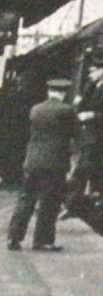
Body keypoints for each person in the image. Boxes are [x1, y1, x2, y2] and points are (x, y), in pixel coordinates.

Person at [7, 78, 78, 251]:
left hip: (32, 161)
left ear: (48, 92)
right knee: (49, 202)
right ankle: (42, 241)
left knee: (26, 199)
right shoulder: (66, 110)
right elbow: (75, 132)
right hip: (54, 163)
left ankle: (13, 238)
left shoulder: (35, 109)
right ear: (63, 93)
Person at [66, 61, 103, 214]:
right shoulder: (92, 87)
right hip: (87, 134)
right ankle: (78, 204)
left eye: (93, 71)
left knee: (84, 169)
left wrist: (93, 115)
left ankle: (75, 205)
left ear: (102, 71)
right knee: (83, 169)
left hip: (99, 135)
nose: (90, 74)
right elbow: (81, 105)